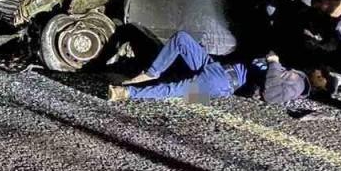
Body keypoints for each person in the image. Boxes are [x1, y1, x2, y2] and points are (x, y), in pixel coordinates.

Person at [104, 29, 321, 105]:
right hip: (218, 70)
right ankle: (150, 73)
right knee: (181, 39)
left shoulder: (298, 84)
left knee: (175, 90)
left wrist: (273, 63)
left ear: (318, 83)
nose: (320, 72)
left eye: (323, 76)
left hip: (221, 82)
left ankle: (126, 93)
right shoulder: (296, 72)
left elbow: (272, 96)